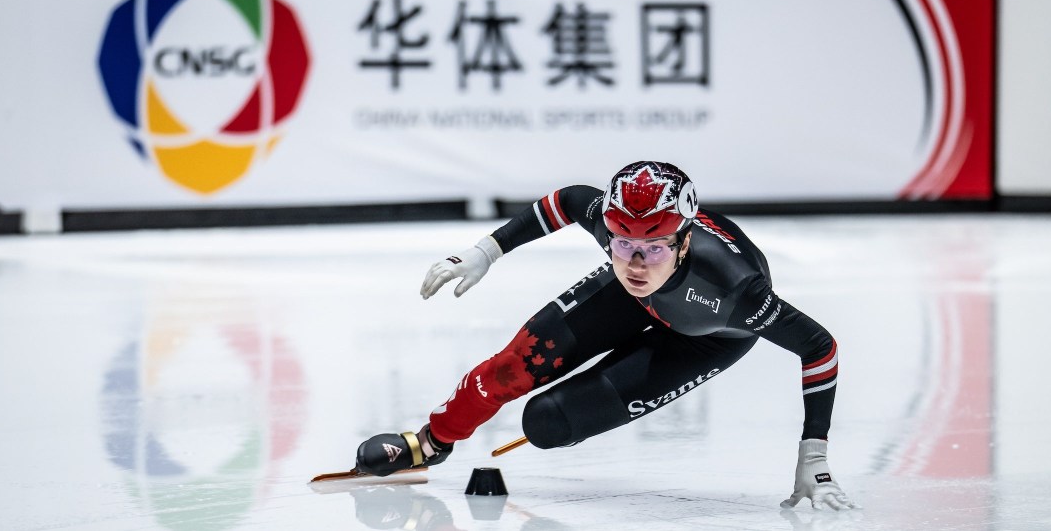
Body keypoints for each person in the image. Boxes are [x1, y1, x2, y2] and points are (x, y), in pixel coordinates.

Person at [355, 160, 859, 511]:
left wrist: (813, 456)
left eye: (655, 248)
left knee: (546, 423)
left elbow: (820, 347)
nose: (636, 263)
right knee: (511, 367)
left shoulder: (737, 290)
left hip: (705, 337)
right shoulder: (619, 236)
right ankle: (430, 440)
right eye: (621, 244)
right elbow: (565, 200)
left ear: (685, 240)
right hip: (623, 300)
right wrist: (487, 250)